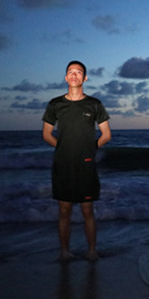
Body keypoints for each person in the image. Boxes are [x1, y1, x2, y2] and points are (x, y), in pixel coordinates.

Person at [43, 61, 111, 261]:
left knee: (87, 209)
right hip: (62, 164)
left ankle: (92, 251)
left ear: (85, 78)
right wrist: (64, 148)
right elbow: (46, 134)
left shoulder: (94, 104)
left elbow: (106, 134)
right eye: (70, 72)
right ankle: (65, 252)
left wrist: (90, 148)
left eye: (78, 72)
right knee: (64, 210)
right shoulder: (55, 104)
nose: (74, 75)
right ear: (66, 77)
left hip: (86, 164)